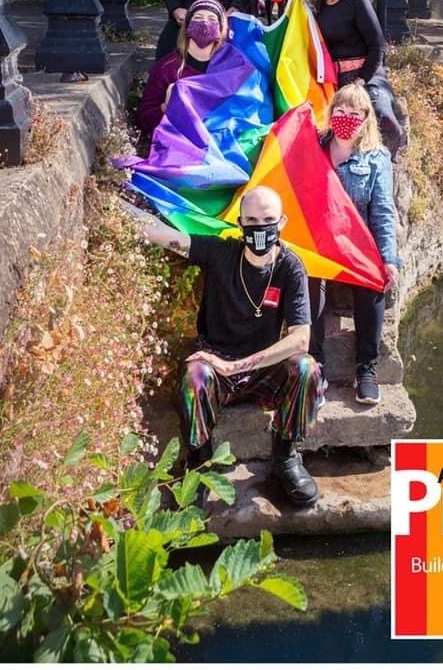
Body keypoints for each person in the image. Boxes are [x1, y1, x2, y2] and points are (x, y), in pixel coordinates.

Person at [124, 186, 321, 507]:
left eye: (268, 220)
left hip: (263, 369)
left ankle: (286, 456)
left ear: (282, 222)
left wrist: (238, 366)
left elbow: (301, 338)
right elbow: (160, 234)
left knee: (306, 368)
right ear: (240, 223)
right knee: (194, 376)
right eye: (252, 220)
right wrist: (113, 200)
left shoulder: (290, 267)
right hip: (215, 364)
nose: (260, 227)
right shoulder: (221, 253)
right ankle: (199, 463)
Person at [308, 83, 400, 406]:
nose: (346, 117)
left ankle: (366, 370)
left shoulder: (377, 158)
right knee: (308, 279)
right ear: (331, 112)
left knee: (374, 281)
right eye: (340, 111)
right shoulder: (314, 147)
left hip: (355, 244)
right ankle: (315, 367)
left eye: (354, 113)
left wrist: (389, 259)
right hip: (319, 243)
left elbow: (383, 212)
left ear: (365, 119)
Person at [302, 0, 407, 158]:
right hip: (333, 80)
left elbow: (377, 45)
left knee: (382, 116)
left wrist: (361, 81)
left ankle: (383, 165)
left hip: (366, 74)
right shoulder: (316, 7)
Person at [136, 0, 228, 139]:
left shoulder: (229, 67)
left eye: (212, 19)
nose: (204, 23)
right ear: (187, 26)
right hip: (179, 143)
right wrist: (166, 107)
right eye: (198, 18)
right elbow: (143, 118)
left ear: (220, 29)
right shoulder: (167, 67)